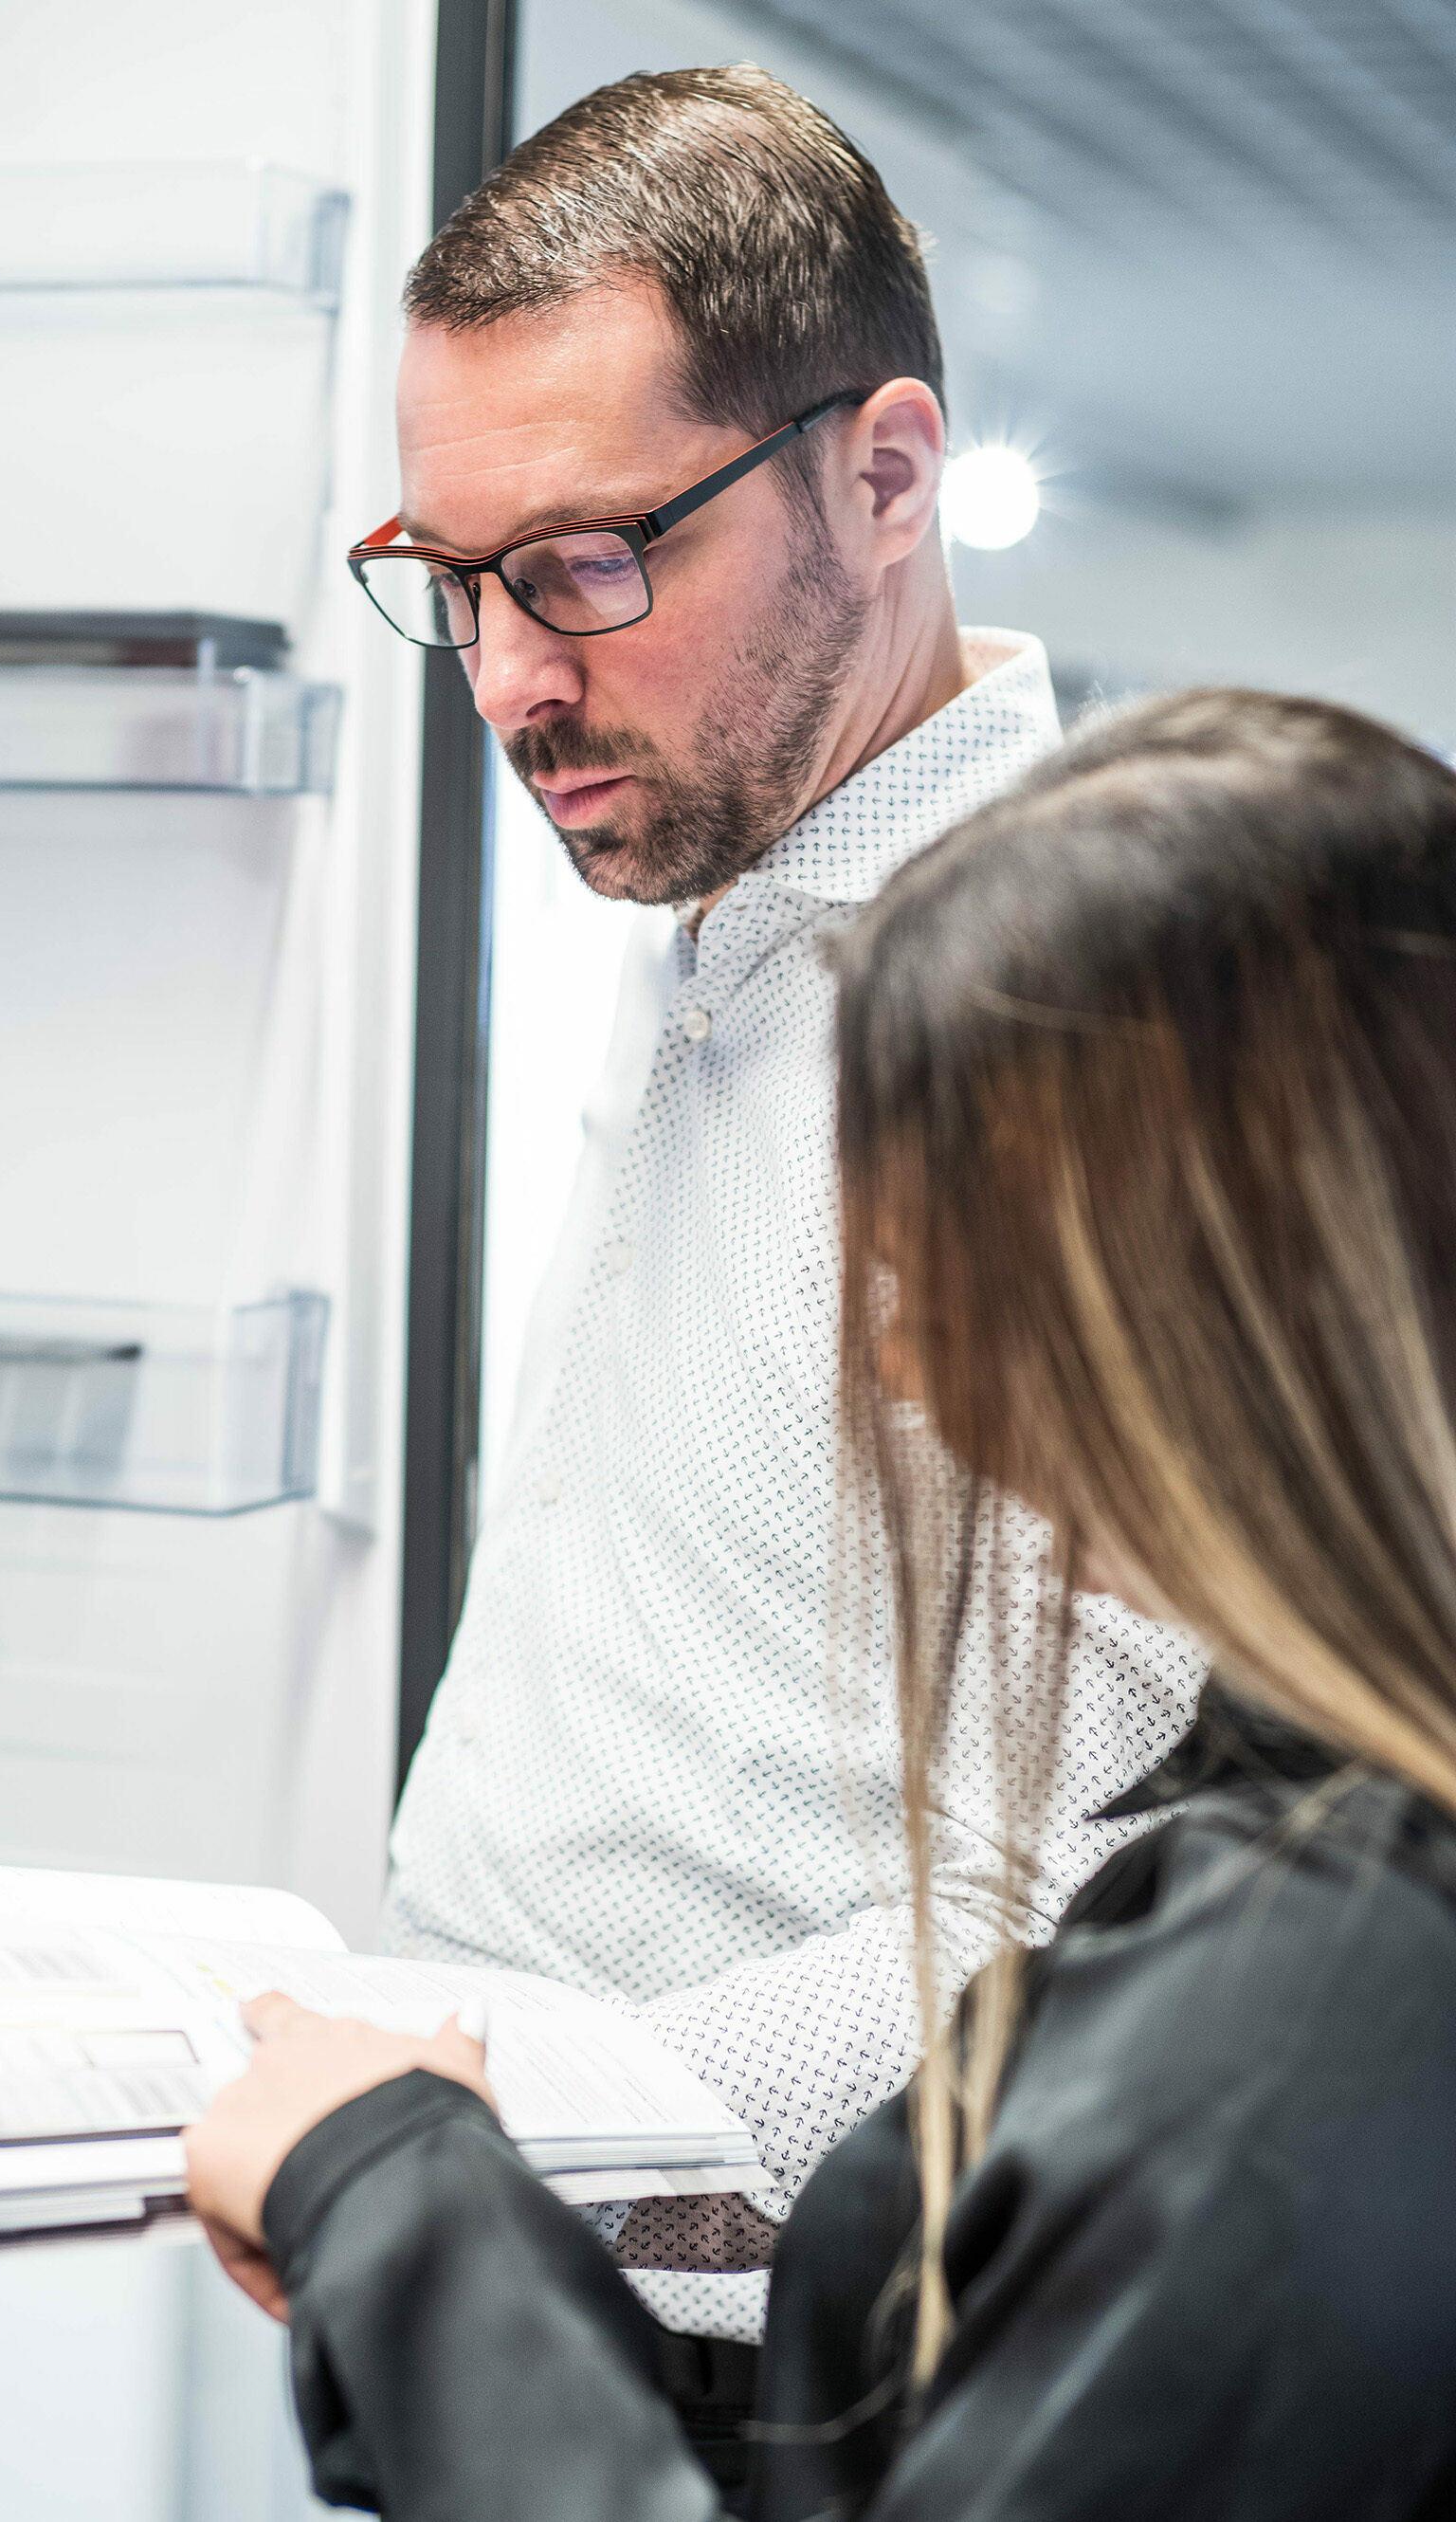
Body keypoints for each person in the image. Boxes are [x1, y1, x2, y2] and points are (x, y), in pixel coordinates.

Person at [186, 689, 1456, 2518]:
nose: (920, 1369)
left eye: (960, 1274)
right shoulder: (1293, 1819)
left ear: (1237, 1294)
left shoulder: (1303, 2042)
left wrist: (407, 2209)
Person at [355, 61, 1204, 2434]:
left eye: (585, 565)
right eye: (452, 584)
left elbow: (1110, 1884)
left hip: (801, 2341)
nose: (512, 678)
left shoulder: (1082, 1016)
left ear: (890, 473)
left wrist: (515, 2141)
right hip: (529, 2224)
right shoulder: (737, 877)